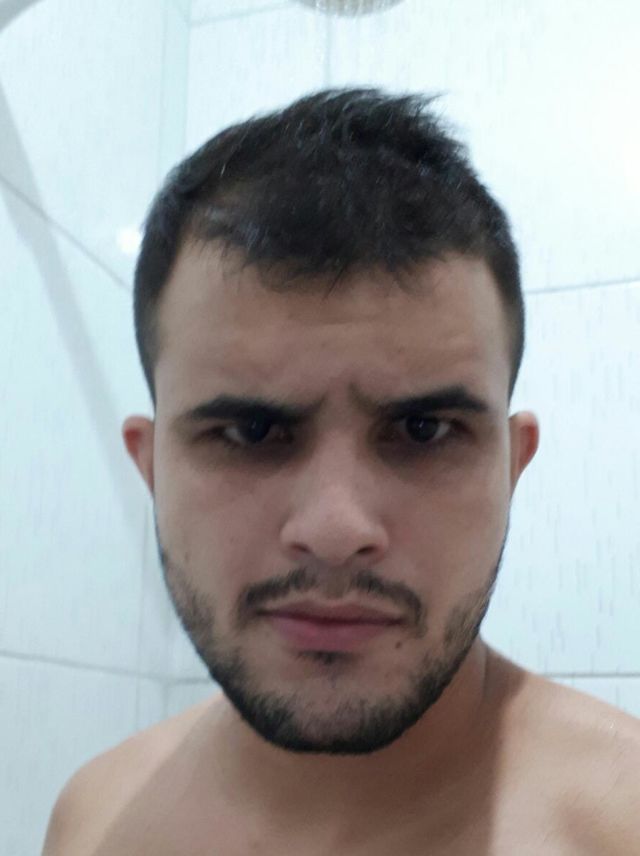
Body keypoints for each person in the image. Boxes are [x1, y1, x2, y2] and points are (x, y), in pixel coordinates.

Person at [43, 88, 639, 855]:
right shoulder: (93, 822)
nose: (334, 530)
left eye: (424, 431)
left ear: (512, 466)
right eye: (251, 432)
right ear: (149, 464)